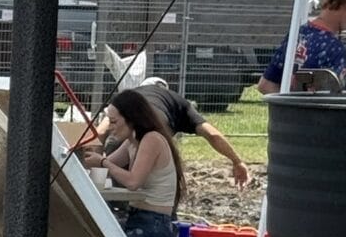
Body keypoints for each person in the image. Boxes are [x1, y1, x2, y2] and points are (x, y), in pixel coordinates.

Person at [83, 89, 186, 237]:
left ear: (131, 118)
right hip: (137, 217)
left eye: (114, 122)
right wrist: (84, 157)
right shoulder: (132, 142)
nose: (111, 128)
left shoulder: (152, 139)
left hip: (154, 225)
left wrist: (104, 162)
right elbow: (104, 164)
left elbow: (133, 181)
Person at [98, 77, 250, 189]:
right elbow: (212, 135)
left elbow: (100, 131)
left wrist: (93, 161)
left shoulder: (130, 97)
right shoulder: (178, 102)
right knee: (153, 184)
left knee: (115, 183)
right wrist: (237, 161)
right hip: (157, 131)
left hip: (120, 138)